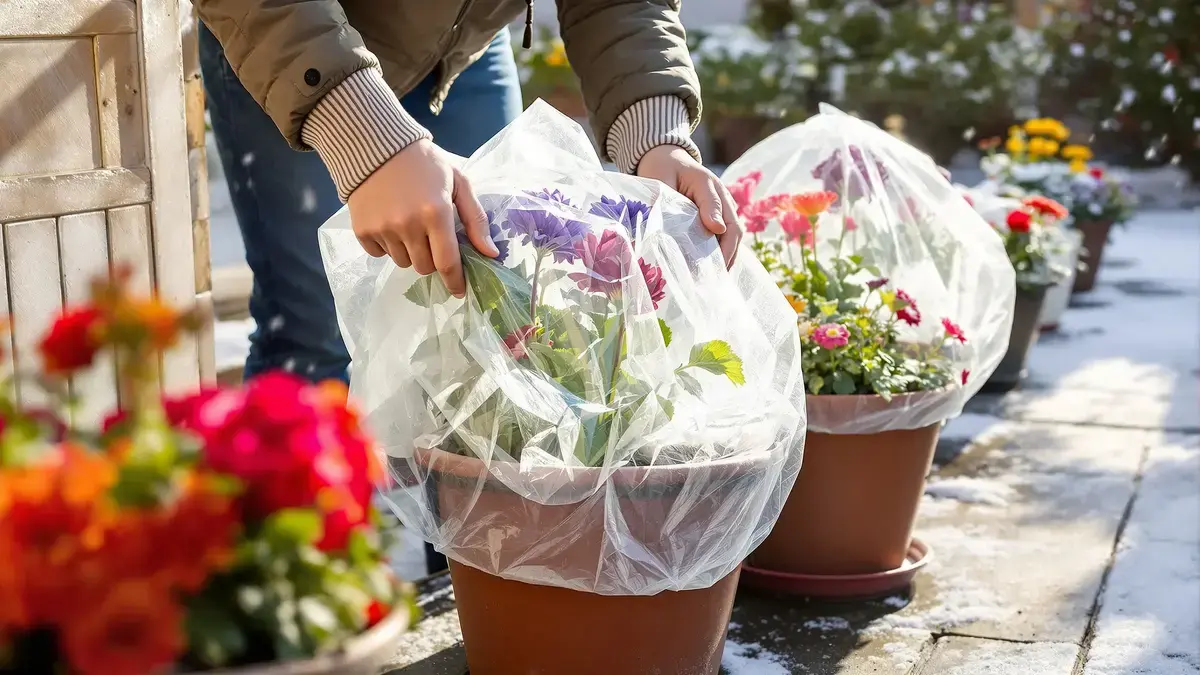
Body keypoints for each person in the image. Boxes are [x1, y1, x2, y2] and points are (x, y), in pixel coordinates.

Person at [195, 0, 742, 574]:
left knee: (499, 330)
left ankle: (476, 602)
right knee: (315, 331)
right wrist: (362, 133)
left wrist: (655, 137)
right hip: (290, 38)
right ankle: (289, 603)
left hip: (459, 49)